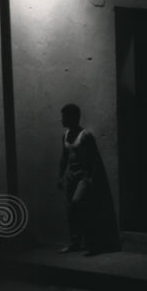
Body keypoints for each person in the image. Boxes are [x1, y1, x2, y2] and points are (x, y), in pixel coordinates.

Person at [57, 104, 120, 255]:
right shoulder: (65, 135)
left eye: (64, 116)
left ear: (73, 117)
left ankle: (92, 244)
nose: (61, 120)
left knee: (78, 205)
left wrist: (91, 178)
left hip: (83, 176)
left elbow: (95, 159)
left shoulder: (85, 136)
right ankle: (75, 243)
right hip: (71, 177)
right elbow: (64, 157)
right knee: (71, 210)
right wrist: (60, 176)